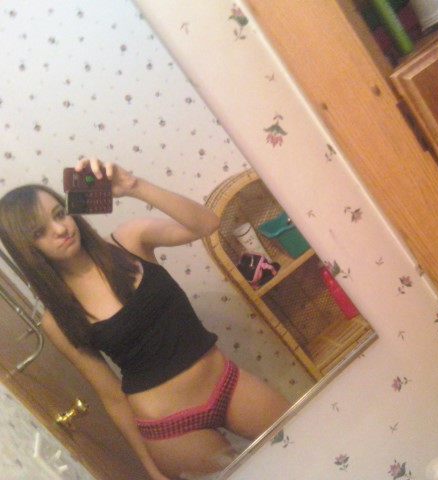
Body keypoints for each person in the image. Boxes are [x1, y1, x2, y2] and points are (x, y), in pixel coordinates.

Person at [0, 158, 291, 479]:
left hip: (227, 382)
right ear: (27, 248)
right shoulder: (57, 320)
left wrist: (134, 186)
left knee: (303, 439)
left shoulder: (128, 240)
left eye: (59, 214)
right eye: (40, 232)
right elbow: (111, 395)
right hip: (171, 428)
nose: (60, 229)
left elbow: (206, 224)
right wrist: (150, 466)